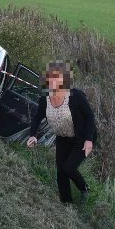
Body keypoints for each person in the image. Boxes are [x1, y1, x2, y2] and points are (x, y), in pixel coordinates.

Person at [26, 61, 97, 203]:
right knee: (61, 172)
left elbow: (90, 116)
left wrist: (89, 140)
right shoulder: (44, 100)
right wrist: (33, 135)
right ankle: (67, 203)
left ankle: (85, 189)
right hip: (63, 138)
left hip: (82, 138)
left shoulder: (76, 96)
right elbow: (37, 118)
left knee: (69, 168)